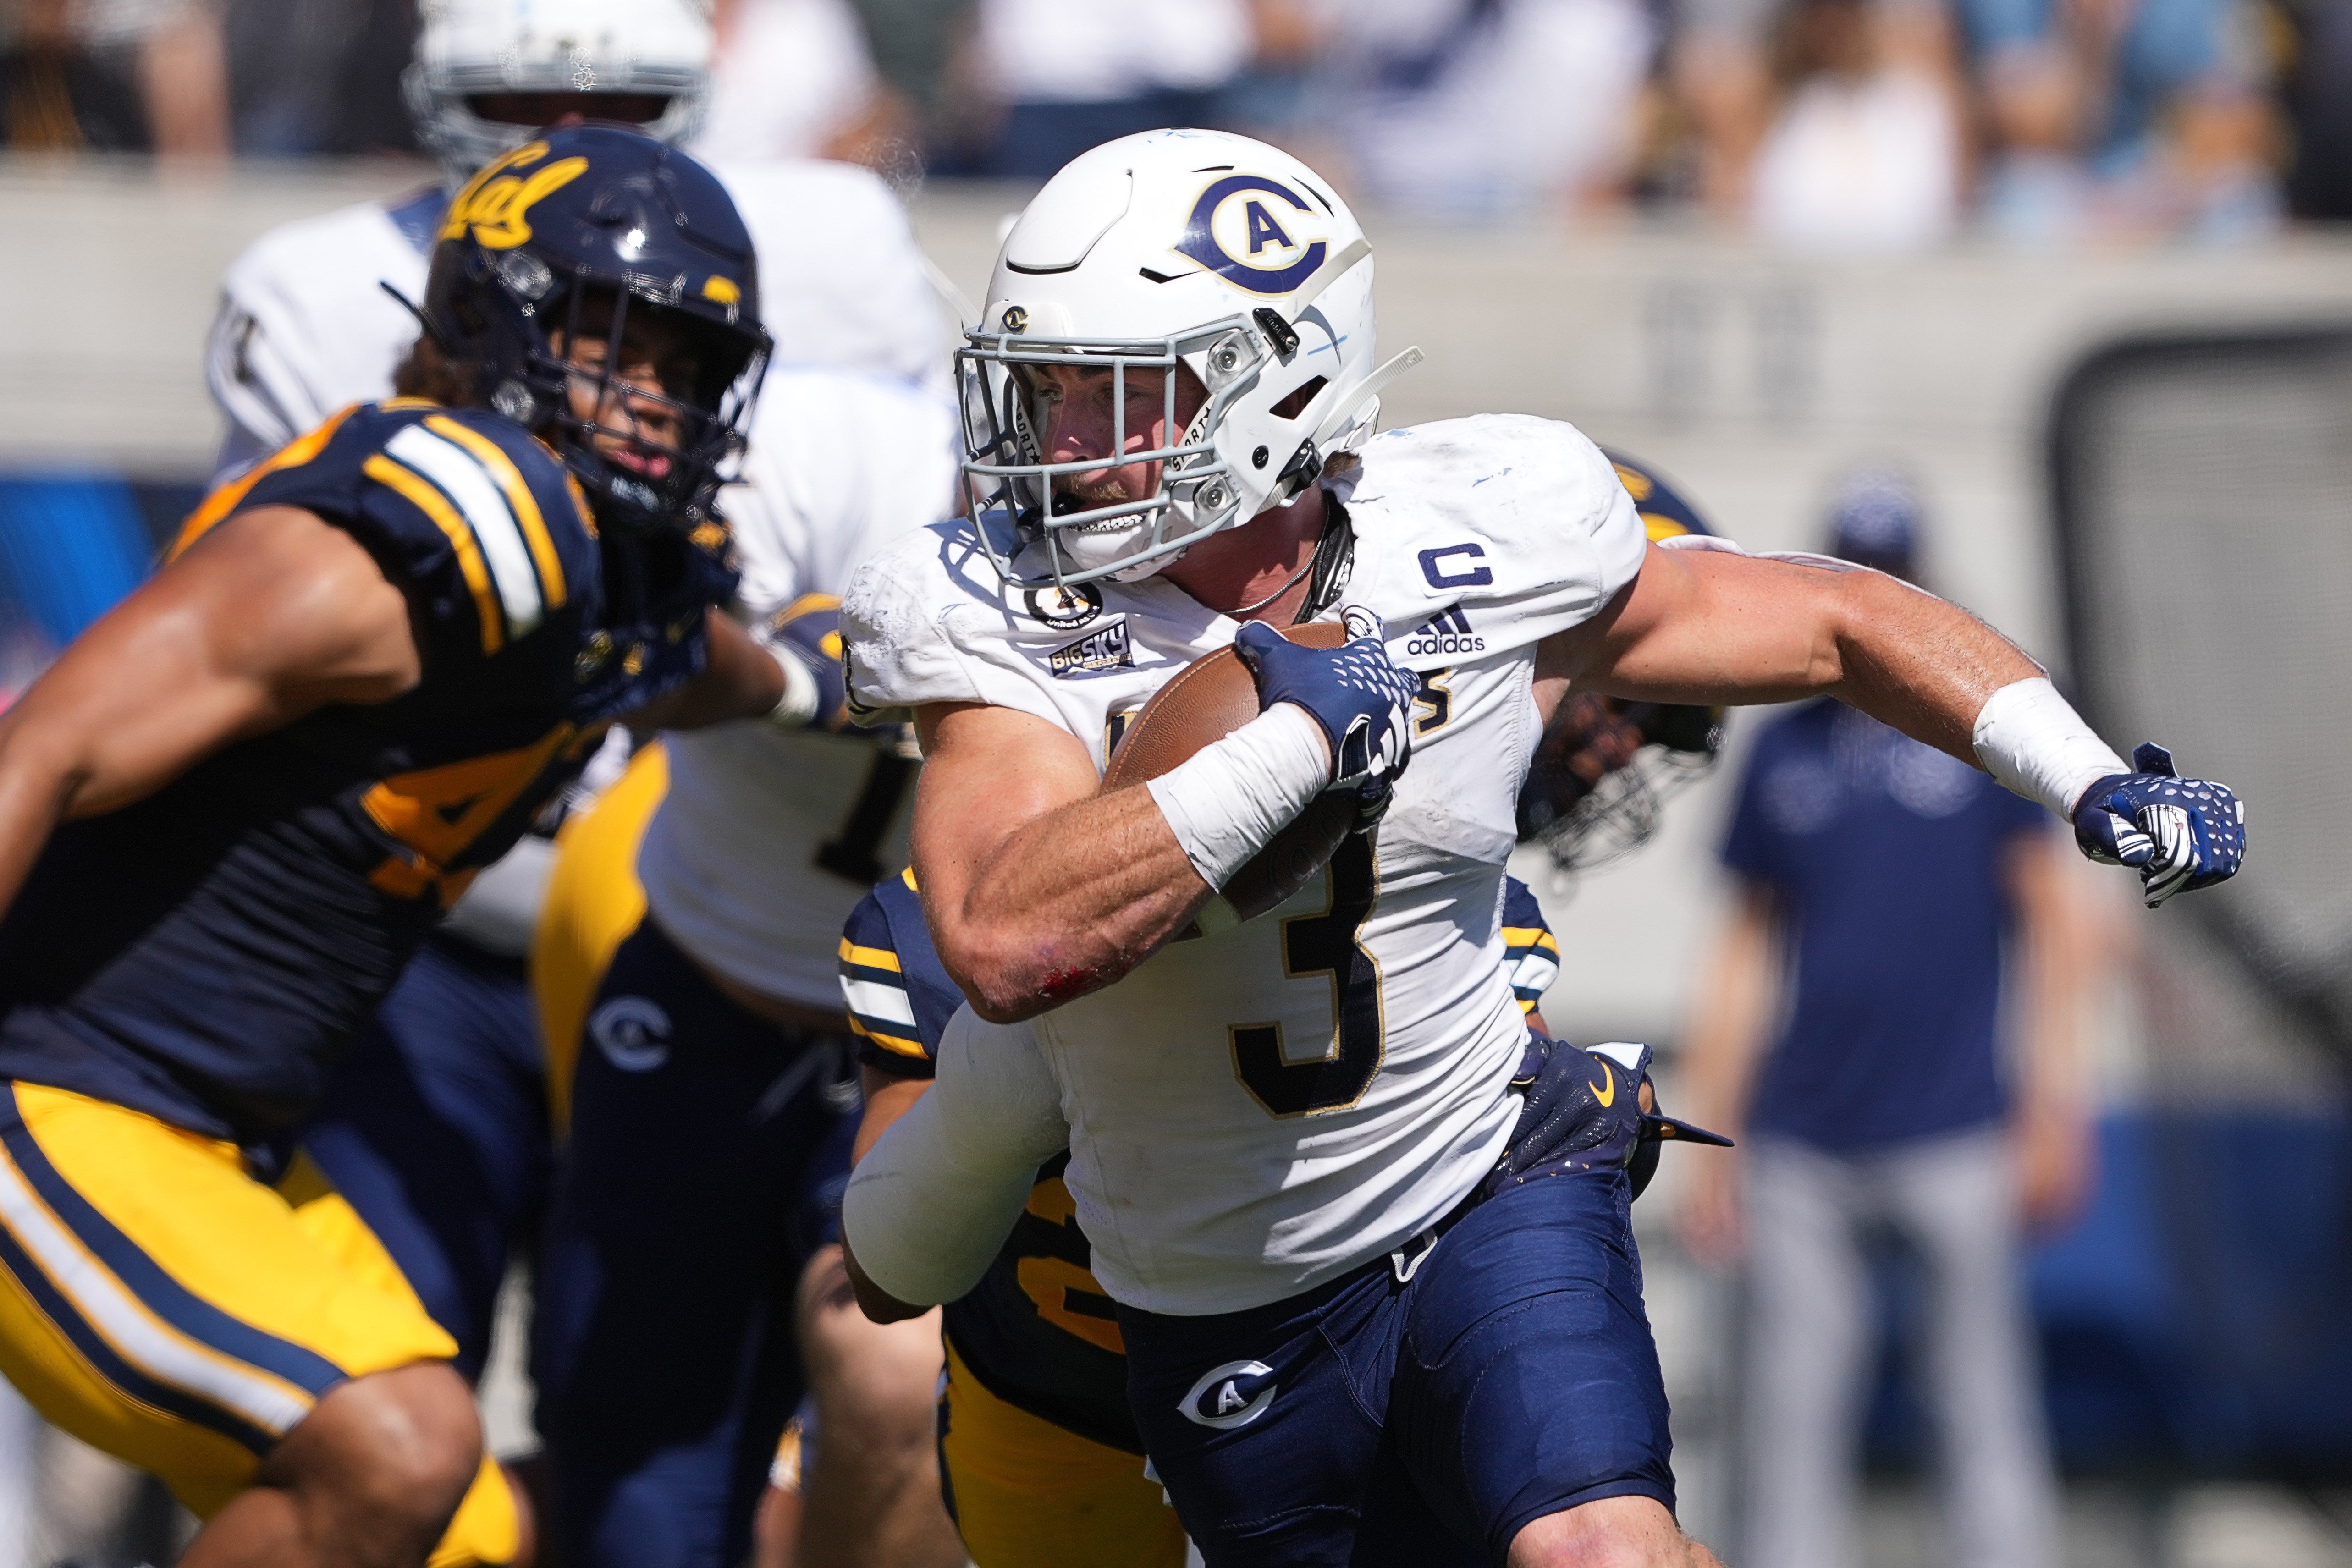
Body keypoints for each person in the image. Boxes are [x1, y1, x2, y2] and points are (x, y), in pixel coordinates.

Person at [831, 127, 2245, 1567]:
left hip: (1482, 1188)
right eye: (1049, 389)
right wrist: (1293, 740)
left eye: (1110, 395)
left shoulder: (1477, 523)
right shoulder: (998, 616)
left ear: (1274, 385)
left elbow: (1837, 619)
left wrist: (2074, 770)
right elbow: (1008, 938)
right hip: (1221, 1296)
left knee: (1601, 1546)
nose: (1058, 439)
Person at [0, 124, 787, 1568]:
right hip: (49, 1089)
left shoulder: (591, 567)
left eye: (687, 368)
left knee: (463, 1534)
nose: (659, 404)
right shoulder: (383, 545)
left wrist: (825, 686)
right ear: (499, 320)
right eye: (621, 349)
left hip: (210, 1136)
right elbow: (34, 750)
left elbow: (682, 659)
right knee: (395, 1442)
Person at [525, 343, 964, 1568]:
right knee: (636, 1493)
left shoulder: (1162, 550)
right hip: (702, 997)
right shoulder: (826, 447)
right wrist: (793, 670)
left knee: (898, 1379)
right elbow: (649, 635)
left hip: (943, 1041)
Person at [1674, 470, 2093, 1568]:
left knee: (1982, 1412)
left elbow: (2054, 926)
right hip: (1804, 1134)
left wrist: (2054, 1103)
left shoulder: (1986, 738)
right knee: (1793, 1422)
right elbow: (1746, 947)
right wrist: (1716, 1135)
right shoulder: (1784, 746)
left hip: (1958, 1121)